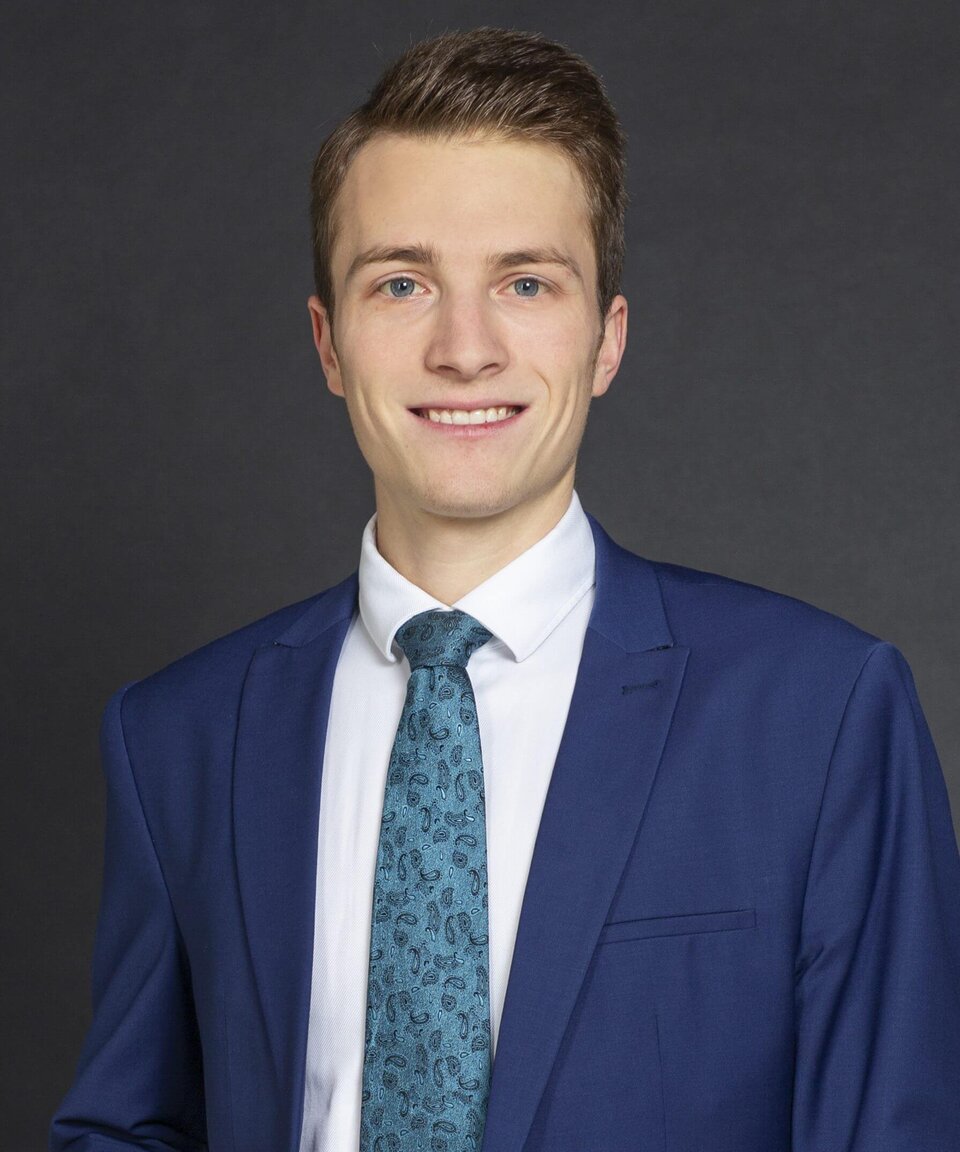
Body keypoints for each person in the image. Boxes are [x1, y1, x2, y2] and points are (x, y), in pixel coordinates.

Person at [51, 26, 960, 1152]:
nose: (465, 347)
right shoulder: (179, 737)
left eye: (525, 283)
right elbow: (128, 1127)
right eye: (402, 283)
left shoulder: (820, 717)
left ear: (606, 340)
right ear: (329, 345)